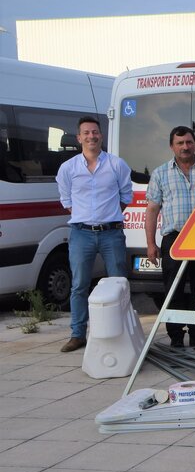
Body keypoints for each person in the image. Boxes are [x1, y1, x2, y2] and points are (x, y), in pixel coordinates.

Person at [55, 116, 132, 352]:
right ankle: (78, 334)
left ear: (101, 135)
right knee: (79, 285)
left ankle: (123, 331)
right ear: (79, 138)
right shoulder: (68, 168)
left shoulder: (117, 164)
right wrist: (88, 218)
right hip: (81, 234)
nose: (91, 136)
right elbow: (67, 201)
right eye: (86, 133)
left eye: (95, 132)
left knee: (119, 283)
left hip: (111, 233)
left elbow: (125, 197)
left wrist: (106, 217)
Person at [145, 126, 195, 348]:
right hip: (174, 239)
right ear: (172, 146)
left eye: (188, 142)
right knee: (173, 290)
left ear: (194, 144)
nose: (185, 147)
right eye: (180, 143)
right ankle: (176, 337)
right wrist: (151, 244)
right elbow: (152, 211)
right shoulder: (160, 173)